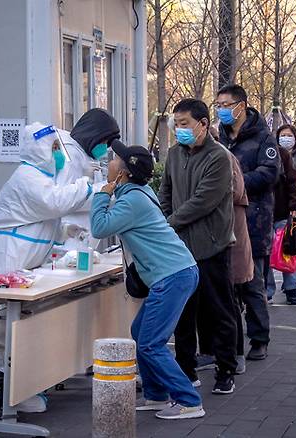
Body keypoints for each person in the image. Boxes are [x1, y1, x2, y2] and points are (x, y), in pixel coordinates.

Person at [0, 122, 95, 413]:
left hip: (20, 261)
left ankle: (27, 383)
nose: (59, 154)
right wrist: (88, 184)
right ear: (39, 149)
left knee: (25, 325)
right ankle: (11, 395)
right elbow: (53, 203)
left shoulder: (41, 176)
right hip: (3, 259)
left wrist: (65, 232)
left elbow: (39, 220)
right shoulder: (27, 178)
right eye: (54, 148)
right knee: (6, 326)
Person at [91, 140, 204, 420]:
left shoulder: (132, 200)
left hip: (173, 276)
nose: (110, 162)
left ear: (123, 173)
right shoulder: (138, 191)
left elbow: (99, 227)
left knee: (150, 343)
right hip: (176, 272)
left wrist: (103, 194)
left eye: (115, 160)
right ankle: (156, 395)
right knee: (141, 333)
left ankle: (189, 401)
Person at [158, 98, 237, 394]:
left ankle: (226, 369)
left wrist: (170, 222)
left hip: (212, 246)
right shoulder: (174, 154)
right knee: (183, 313)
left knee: (220, 311)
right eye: (176, 125)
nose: (179, 130)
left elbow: (204, 201)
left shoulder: (219, 157)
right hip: (180, 248)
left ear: (203, 124)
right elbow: (166, 190)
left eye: (185, 124)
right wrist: (166, 217)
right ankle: (186, 370)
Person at [216, 84, 279, 360]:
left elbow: (269, 174)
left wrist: (234, 184)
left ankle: (259, 337)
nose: (222, 110)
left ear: (241, 106)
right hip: (223, 221)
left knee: (252, 282)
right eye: (218, 105)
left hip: (254, 220)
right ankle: (228, 341)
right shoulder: (219, 138)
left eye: (226, 105)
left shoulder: (263, 137)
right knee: (225, 284)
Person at [56, 108, 121, 248]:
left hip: (82, 238)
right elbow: (65, 199)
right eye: (104, 142)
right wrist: (105, 191)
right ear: (93, 135)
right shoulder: (71, 155)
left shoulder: (85, 153)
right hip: (70, 238)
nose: (105, 147)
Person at [268, 125, 296, 304]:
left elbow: (293, 180)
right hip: (263, 213)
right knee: (265, 253)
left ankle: (291, 289)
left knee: (287, 250)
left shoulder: (283, 154)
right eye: (281, 135)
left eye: (288, 135)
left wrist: (294, 205)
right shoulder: (259, 153)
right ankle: (267, 290)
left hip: (283, 211)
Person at [227, 150, 253, 374]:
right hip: (202, 241)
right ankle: (211, 351)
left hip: (229, 240)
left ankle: (236, 353)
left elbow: (236, 192)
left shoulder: (223, 156)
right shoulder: (180, 156)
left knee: (230, 300)